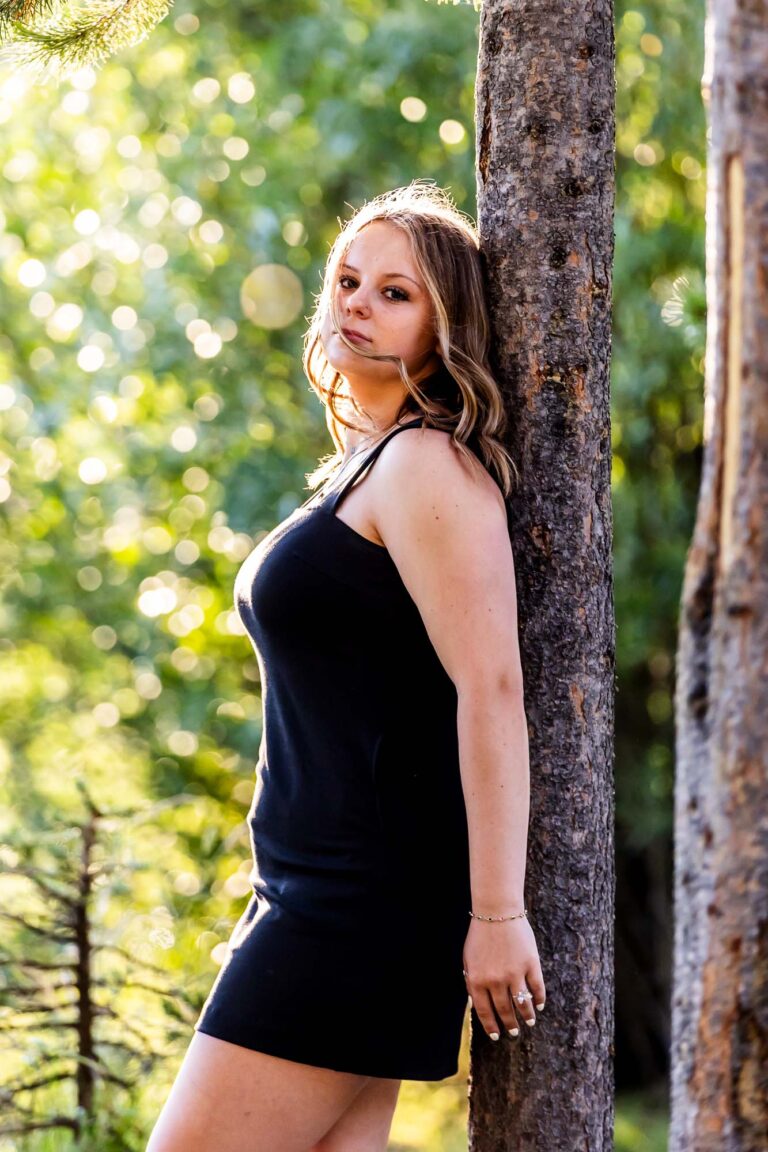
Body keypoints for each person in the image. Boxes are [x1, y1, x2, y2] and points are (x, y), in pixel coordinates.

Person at [146, 180, 545, 1152]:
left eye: (395, 293)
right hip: (312, 894)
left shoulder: (424, 468)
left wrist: (497, 913)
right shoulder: (372, 467)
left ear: (446, 324)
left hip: (352, 913)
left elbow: (490, 688)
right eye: (347, 280)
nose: (356, 303)